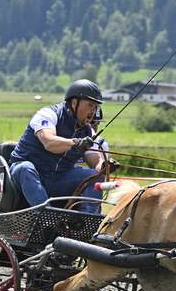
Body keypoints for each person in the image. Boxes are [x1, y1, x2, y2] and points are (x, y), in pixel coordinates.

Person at [9, 79, 109, 214]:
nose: (93, 111)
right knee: (25, 168)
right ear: (74, 103)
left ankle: (88, 220)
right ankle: (47, 216)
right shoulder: (48, 114)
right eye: (90, 105)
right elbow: (49, 142)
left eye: (96, 107)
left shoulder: (87, 131)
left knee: (94, 176)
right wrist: (75, 143)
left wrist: (103, 166)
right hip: (25, 177)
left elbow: (95, 159)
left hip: (57, 179)